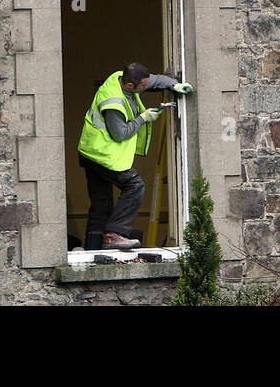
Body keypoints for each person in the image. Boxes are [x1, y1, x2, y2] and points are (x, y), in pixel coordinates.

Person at [77, 62, 193, 250]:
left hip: (89, 151)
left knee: (102, 204)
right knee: (134, 185)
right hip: (100, 154)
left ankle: (93, 249)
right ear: (130, 86)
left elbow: (153, 81)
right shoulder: (113, 102)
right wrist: (143, 119)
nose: (146, 88)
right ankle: (115, 235)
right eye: (142, 87)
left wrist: (173, 85)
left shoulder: (121, 76)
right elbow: (120, 134)